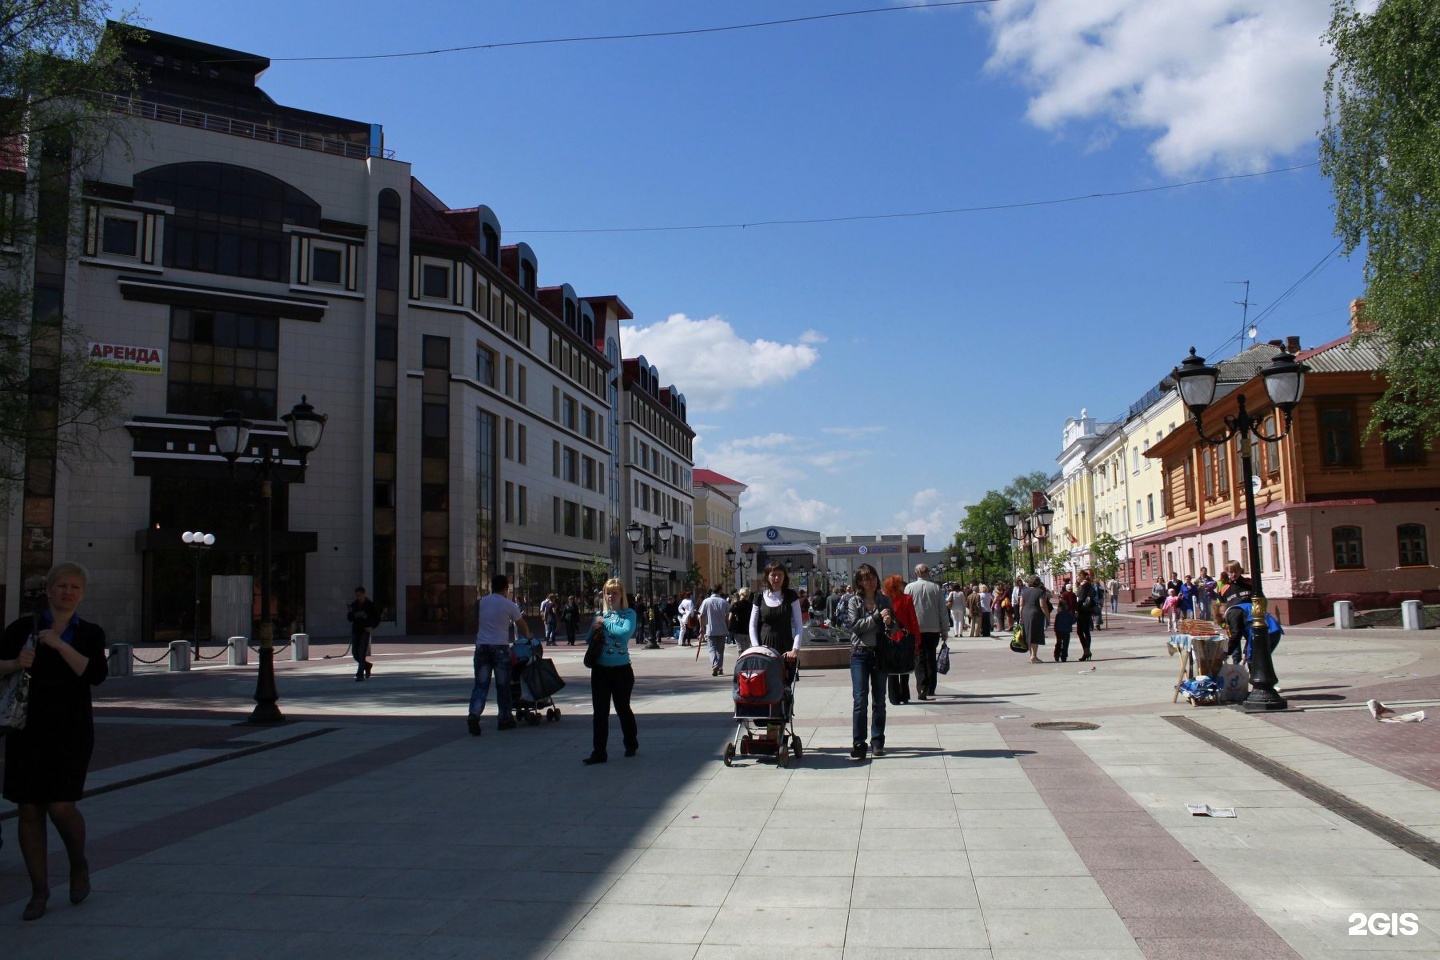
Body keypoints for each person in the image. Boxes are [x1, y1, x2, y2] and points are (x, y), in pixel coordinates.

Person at [0, 563, 108, 921]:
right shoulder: (21, 628)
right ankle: (39, 891)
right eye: (60, 585)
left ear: (82, 593)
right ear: (48, 590)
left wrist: (60, 645)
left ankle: (78, 864)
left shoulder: (89, 632)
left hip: (70, 730)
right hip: (25, 728)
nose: (67, 592)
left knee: (61, 806)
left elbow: (95, 674)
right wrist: (16, 662)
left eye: (74, 587)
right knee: (29, 808)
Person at [583, 578, 639, 764]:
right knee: (600, 712)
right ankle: (599, 751)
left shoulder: (629, 614)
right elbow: (588, 639)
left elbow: (624, 634)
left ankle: (631, 744)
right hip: (600, 670)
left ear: (621, 594)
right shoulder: (599, 615)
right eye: (608, 592)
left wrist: (605, 623)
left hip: (621, 669)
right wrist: (595, 627)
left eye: (614, 592)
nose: (610, 596)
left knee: (623, 708)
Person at [467, 574, 532, 736]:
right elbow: (521, 623)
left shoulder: (483, 602)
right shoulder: (509, 604)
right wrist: (528, 636)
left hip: (482, 647)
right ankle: (504, 718)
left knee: (481, 684)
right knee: (503, 685)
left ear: (491, 587)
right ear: (506, 588)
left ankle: (474, 714)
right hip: (500, 648)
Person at [842, 563, 893, 761]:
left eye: (871, 577)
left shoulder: (885, 599)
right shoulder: (854, 601)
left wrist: (890, 622)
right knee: (860, 699)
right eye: (864, 579)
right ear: (859, 582)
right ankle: (859, 742)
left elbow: (895, 628)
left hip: (880, 653)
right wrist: (877, 617)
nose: (869, 581)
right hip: (860, 654)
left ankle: (878, 740)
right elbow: (855, 626)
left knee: (880, 700)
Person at [904, 563, 949, 700]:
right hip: (933, 627)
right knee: (930, 657)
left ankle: (922, 687)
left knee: (919, 657)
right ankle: (931, 687)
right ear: (928, 573)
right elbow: (943, 610)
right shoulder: (936, 588)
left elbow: (906, 609)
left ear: (916, 573)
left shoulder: (909, 588)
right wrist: (945, 629)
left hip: (916, 628)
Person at [748, 561, 803, 656]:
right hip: (764, 648)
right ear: (767, 577)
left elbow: (799, 624)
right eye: (773, 575)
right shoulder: (759, 597)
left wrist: (795, 649)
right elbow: (752, 625)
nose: (777, 578)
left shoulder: (791, 595)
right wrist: (756, 648)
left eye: (780, 574)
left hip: (786, 648)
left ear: (784, 576)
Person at [881, 574, 922, 705]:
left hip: (889, 637)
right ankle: (904, 695)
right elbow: (913, 620)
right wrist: (917, 638)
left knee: (891, 668)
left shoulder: (884, 600)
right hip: (905, 636)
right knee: (905, 666)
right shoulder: (907, 599)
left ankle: (893, 697)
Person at [697, 585, 732, 677]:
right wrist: (728, 626)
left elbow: (701, 615)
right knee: (720, 650)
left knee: (712, 648)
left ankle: (715, 664)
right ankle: (720, 668)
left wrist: (701, 627)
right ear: (719, 591)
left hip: (710, 629)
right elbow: (728, 616)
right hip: (722, 628)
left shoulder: (706, 601)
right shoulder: (724, 602)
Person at [346, 586, 378, 682]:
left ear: (364, 594)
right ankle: (367, 665)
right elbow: (350, 619)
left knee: (361, 652)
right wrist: (350, 612)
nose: (358, 597)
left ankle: (360, 674)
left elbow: (376, 618)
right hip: (356, 631)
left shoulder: (370, 605)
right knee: (355, 653)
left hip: (365, 630)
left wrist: (371, 627)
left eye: (359, 595)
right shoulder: (354, 605)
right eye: (356, 595)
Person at [1019, 574, 1052, 663]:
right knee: (1035, 635)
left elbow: (1021, 605)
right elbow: (1043, 605)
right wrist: (1047, 617)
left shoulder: (1023, 592)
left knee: (1029, 634)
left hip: (1026, 613)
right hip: (1036, 614)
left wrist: (1020, 616)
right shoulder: (1040, 592)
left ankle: (1031, 655)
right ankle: (1034, 656)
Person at [1075, 569, 1098, 662]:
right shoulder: (1089, 585)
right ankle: (1087, 651)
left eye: (1078, 576)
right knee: (1086, 632)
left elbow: (1080, 598)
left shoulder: (1083, 586)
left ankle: (1086, 651)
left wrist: (1076, 610)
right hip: (1088, 610)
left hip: (1082, 611)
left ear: (1082, 576)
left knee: (1080, 632)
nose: (1077, 577)